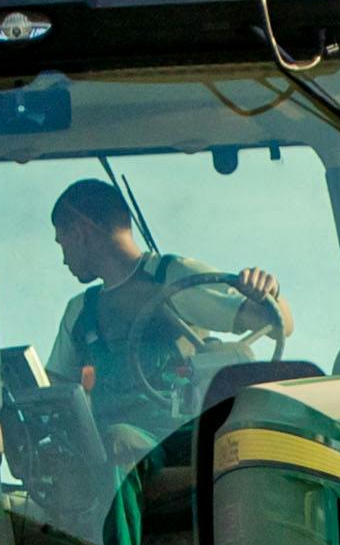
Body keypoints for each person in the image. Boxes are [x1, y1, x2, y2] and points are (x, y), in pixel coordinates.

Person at [43, 176, 290, 441]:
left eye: (62, 243)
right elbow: (54, 392)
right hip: (103, 458)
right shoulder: (79, 312)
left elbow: (278, 324)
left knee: (119, 438)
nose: (63, 258)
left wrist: (268, 292)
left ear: (81, 233)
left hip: (182, 449)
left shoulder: (172, 278)